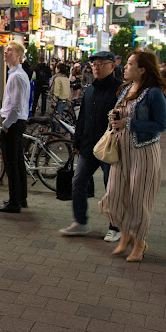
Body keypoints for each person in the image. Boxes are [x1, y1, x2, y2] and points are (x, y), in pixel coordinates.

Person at [100, 50, 166, 262]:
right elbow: (120, 112)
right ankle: (126, 236)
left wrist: (129, 123)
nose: (125, 67)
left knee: (139, 200)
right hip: (122, 151)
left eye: (130, 64)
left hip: (144, 151)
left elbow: (160, 125)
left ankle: (139, 243)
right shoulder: (126, 89)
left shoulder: (153, 93)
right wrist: (114, 117)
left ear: (142, 69)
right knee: (115, 194)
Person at [59, 51, 123, 239]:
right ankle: (80, 222)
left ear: (112, 66)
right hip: (88, 146)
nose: (96, 67)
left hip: (109, 147)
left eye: (101, 63)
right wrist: (77, 141)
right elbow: (83, 118)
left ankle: (115, 226)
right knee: (78, 182)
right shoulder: (90, 89)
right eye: (94, 64)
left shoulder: (120, 89)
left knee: (111, 187)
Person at [0, 41, 30, 213]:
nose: (6, 52)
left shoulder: (16, 76)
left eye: (10, 50)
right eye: (6, 50)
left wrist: (6, 124)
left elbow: (16, 106)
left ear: (19, 56)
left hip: (13, 123)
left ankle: (14, 201)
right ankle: (20, 198)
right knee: (17, 161)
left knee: (11, 163)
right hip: (16, 122)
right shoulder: (17, 75)